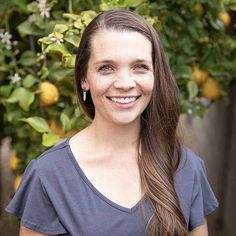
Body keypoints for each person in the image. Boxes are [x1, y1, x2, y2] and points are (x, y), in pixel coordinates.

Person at [5, 9, 218, 236]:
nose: (125, 83)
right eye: (106, 67)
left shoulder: (186, 166)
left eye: (140, 67)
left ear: (156, 76)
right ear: (84, 79)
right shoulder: (49, 175)